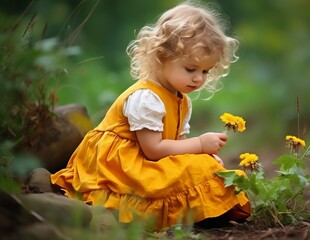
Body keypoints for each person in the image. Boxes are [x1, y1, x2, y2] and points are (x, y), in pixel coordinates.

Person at [51, 1, 251, 229]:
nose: (199, 79)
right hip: (121, 167)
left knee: (206, 168)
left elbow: (177, 149)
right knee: (196, 169)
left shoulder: (181, 100)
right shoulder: (146, 98)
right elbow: (154, 150)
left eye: (205, 71)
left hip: (147, 160)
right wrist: (200, 145)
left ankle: (205, 209)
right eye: (191, 69)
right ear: (161, 56)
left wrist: (199, 157)